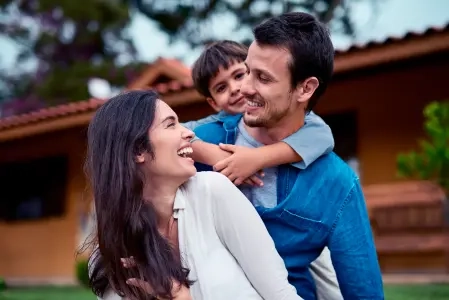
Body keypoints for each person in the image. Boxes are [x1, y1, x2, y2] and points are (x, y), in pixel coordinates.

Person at [189, 12, 385, 299]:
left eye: (262, 78)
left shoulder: (337, 183)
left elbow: (364, 290)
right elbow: (144, 137)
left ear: (305, 88)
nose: (242, 89)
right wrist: (210, 154)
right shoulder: (209, 137)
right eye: (248, 70)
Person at [86, 90, 304, 300]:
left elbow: (281, 294)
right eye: (170, 124)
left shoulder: (212, 191)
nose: (189, 133)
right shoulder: (110, 254)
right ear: (137, 151)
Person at [184, 40, 342, 299]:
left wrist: (257, 158)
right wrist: (210, 152)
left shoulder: (288, 113)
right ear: (213, 103)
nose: (235, 89)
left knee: (331, 285)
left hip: (301, 226)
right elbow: (173, 131)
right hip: (257, 231)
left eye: (239, 75)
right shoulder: (219, 125)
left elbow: (323, 135)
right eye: (222, 87)